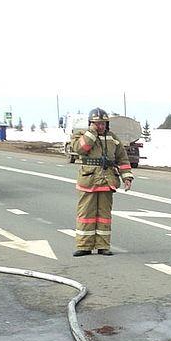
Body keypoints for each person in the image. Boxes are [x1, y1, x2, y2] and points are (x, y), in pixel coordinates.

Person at [70, 108, 133, 256]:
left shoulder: (112, 138)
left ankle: (103, 246)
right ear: (91, 123)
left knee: (104, 216)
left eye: (103, 123)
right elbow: (80, 148)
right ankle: (84, 246)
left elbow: (122, 159)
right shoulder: (81, 135)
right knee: (86, 215)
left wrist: (127, 177)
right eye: (97, 124)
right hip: (89, 180)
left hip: (107, 180)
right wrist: (92, 133)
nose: (101, 126)